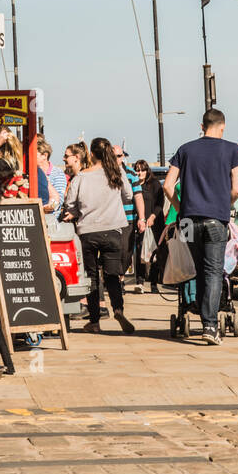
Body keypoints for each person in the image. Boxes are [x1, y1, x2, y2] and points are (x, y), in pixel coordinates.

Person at [163, 109, 238, 346]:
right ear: (223, 126)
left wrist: (180, 208)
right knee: (213, 272)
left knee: (197, 270)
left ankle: (202, 316)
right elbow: (237, 189)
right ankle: (209, 325)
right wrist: (223, 205)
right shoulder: (232, 150)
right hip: (215, 220)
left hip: (188, 220)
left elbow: (168, 186)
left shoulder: (185, 149)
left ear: (202, 125)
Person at [61, 136, 135, 335]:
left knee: (92, 277)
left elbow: (70, 204)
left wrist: (76, 211)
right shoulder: (116, 172)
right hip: (113, 229)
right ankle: (118, 309)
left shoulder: (81, 177)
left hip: (88, 232)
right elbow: (128, 195)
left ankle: (94, 321)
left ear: (91, 154)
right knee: (112, 275)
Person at [113, 144, 146, 291]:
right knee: (113, 250)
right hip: (110, 220)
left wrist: (142, 218)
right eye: (113, 156)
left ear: (123, 157)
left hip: (128, 219)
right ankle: (116, 279)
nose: (116, 159)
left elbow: (138, 197)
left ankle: (120, 276)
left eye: (119, 156)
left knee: (126, 251)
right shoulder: (103, 174)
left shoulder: (131, 174)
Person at [133, 159, 163, 291]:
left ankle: (153, 283)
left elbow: (159, 203)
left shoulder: (154, 184)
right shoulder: (134, 185)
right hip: (140, 224)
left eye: (142, 170)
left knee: (154, 254)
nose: (139, 172)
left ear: (147, 171)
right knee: (140, 252)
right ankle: (140, 281)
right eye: (137, 170)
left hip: (154, 223)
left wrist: (152, 216)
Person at [38, 136, 68, 214]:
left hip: (51, 218)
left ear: (44, 155)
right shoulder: (32, 172)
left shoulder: (57, 174)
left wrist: (50, 207)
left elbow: (59, 200)